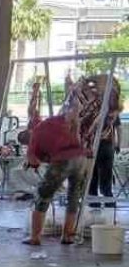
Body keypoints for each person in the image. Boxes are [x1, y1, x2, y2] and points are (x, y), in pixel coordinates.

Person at [23, 113, 90, 246]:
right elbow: (74, 120)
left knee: (42, 195)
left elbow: (33, 160)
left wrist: (33, 164)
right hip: (81, 158)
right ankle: (67, 235)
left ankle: (35, 237)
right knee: (73, 197)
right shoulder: (55, 120)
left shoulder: (34, 135)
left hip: (63, 160)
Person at [88, 79, 122, 211]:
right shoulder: (111, 111)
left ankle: (94, 201)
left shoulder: (94, 110)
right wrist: (118, 144)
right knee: (105, 175)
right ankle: (108, 201)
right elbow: (119, 128)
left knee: (93, 174)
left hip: (98, 146)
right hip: (106, 146)